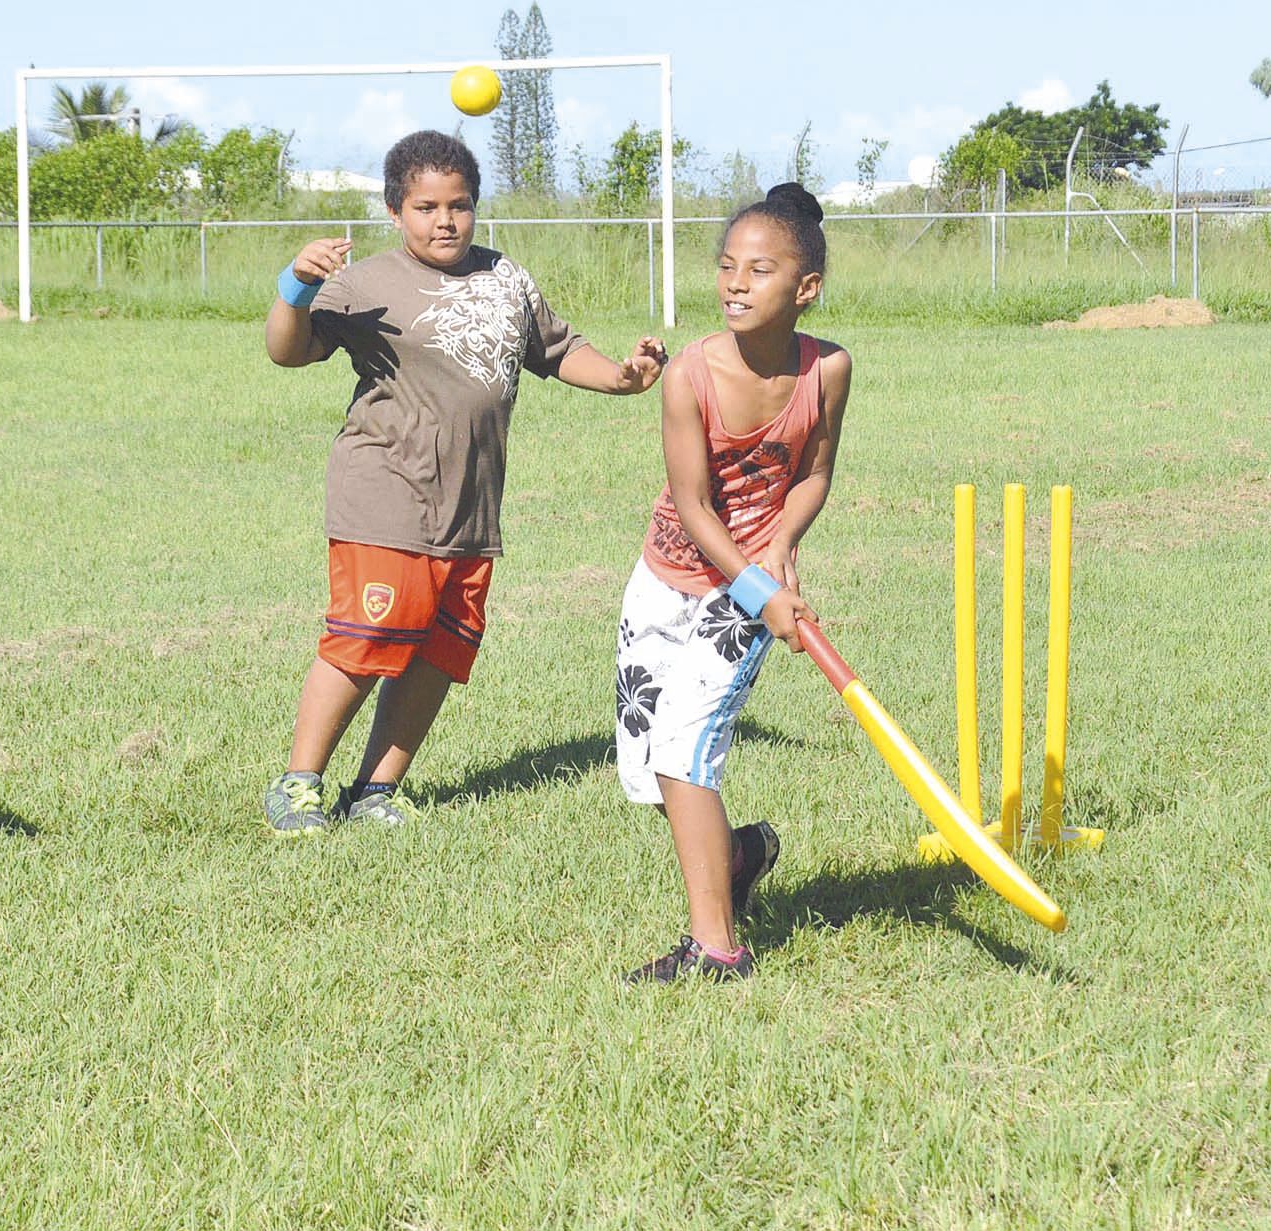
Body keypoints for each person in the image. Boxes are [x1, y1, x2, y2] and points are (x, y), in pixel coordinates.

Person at [262, 130, 665, 834]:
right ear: (395, 211)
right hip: (385, 491)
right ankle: (298, 785)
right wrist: (296, 286)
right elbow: (288, 351)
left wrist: (622, 377)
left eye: (459, 205)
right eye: (425, 207)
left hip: (471, 506)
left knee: (440, 650)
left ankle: (374, 790)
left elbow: (558, 350)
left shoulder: (505, 277)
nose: (444, 221)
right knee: (366, 637)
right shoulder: (365, 283)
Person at [616, 183, 852, 984]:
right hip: (666, 576)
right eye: (725, 267)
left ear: (805, 287)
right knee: (651, 770)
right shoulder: (689, 374)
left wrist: (780, 546)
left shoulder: (827, 369)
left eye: (758, 270)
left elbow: (813, 473)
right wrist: (762, 587)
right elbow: (692, 504)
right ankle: (741, 855)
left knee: (684, 755)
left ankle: (717, 949)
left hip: (743, 590)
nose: (735, 284)